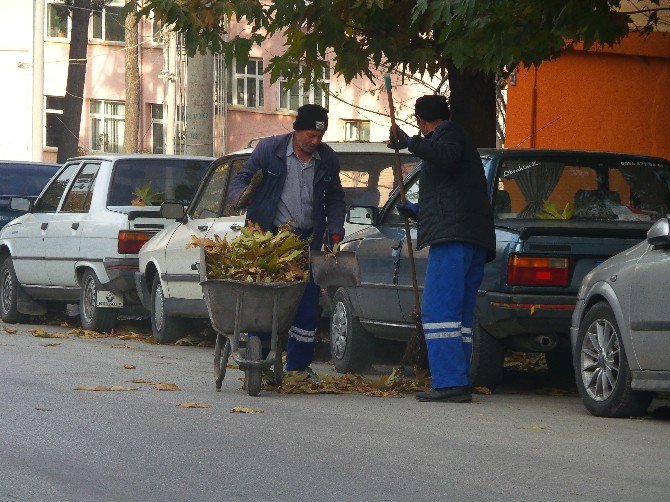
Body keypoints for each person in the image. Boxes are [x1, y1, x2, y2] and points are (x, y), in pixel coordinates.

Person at [388, 95, 496, 403]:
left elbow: (444, 157)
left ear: (421, 121)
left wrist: (410, 142)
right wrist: (418, 211)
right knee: (458, 317)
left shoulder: (449, 135)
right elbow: (452, 197)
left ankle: (449, 382)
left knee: (438, 311)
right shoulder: (459, 142)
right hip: (471, 239)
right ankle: (458, 379)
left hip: (454, 241)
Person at [230, 104, 346, 376]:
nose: (315, 142)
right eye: (310, 136)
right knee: (266, 302)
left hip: (308, 242)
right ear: (296, 130)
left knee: (307, 303)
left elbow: (336, 199)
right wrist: (241, 195)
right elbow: (242, 180)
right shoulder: (269, 151)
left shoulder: (327, 159)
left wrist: (336, 228)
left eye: (319, 137)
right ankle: (262, 362)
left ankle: (298, 367)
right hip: (270, 240)